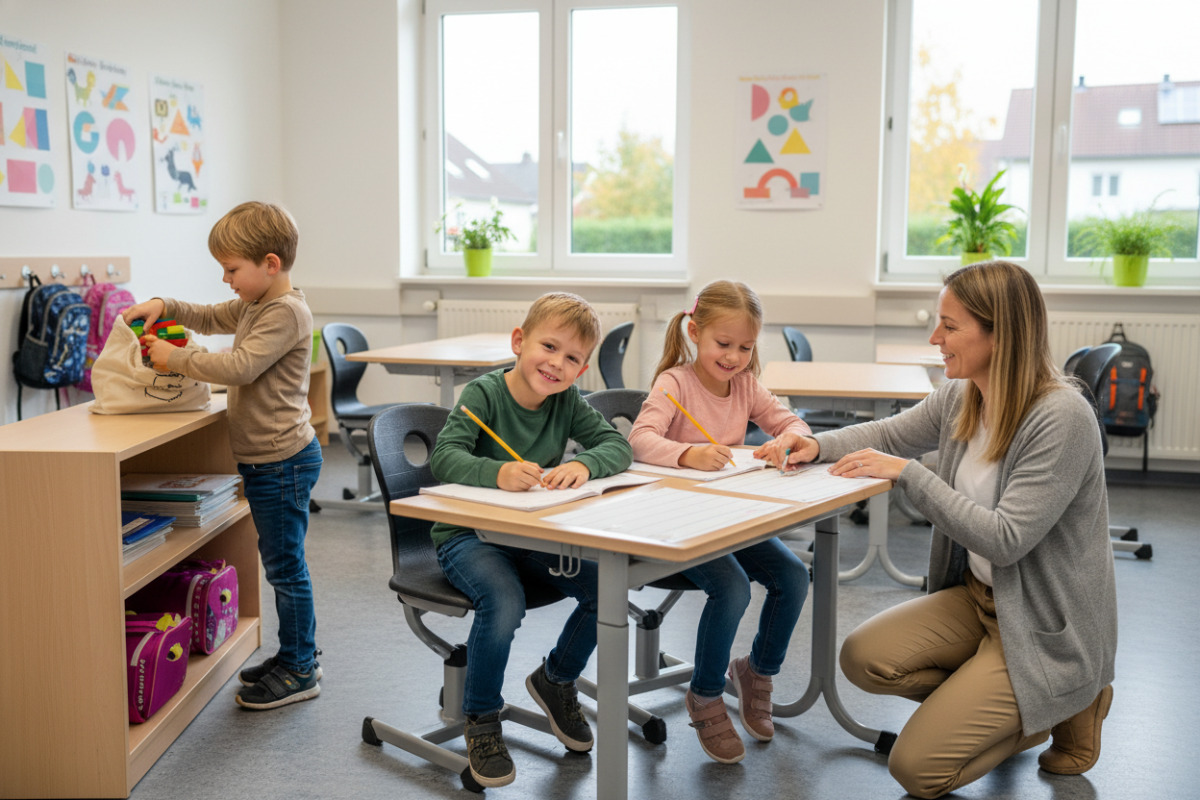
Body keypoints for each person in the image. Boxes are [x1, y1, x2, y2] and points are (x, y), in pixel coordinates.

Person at [784, 260, 1117, 798]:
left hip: (1044, 622)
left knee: (918, 771)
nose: (935, 338)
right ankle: (1030, 701)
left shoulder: (1061, 417)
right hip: (981, 600)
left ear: (1000, 333)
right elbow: (890, 434)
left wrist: (913, 477)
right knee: (862, 658)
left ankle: (1068, 695)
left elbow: (1005, 540)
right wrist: (817, 445)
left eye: (950, 325)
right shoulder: (965, 396)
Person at [122, 201, 324, 711]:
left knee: (285, 568)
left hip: (282, 461)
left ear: (270, 264)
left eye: (232, 269)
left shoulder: (285, 312)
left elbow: (240, 365)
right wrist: (163, 305)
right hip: (270, 459)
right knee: (283, 563)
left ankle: (301, 668)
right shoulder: (258, 304)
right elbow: (210, 316)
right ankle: (296, 653)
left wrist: (176, 358)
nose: (226, 278)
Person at [429, 292, 633, 788]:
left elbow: (618, 446)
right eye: (548, 346)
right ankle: (482, 718)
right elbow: (444, 458)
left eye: (572, 358)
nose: (556, 364)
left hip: (531, 532)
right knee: (503, 601)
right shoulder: (482, 395)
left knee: (608, 588)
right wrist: (496, 472)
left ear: (582, 370)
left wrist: (583, 463)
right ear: (519, 341)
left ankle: (556, 679)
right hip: (467, 534)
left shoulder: (565, 401)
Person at [628, 279, 812, 765]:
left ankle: (757, 672)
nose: (733, 357)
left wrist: (787, 439)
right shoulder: (675, 382)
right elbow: (640, 440)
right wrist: (687, 453)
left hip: (727, 518)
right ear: (694, 332)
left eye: (745, 348)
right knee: (731, 587)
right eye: (723, 344)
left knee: (792, 576)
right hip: (674, 523)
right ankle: (706, 693)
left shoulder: (746, 385)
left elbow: (791, 422)